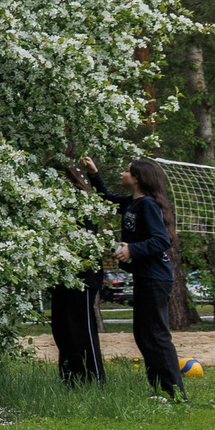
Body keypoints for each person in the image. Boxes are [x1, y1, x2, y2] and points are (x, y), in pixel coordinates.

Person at [83, 153, 183, 395]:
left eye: (127, 171)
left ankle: (175, 393)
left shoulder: (148, 205)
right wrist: (93, 173)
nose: (122, 174)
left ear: (138, 178)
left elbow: (161, 240)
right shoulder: (132, 203)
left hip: (156, 278)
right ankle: (160, 390)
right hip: (145, 276)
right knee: (143, 335)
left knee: (156, 336)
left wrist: (132, 249)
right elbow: (106, 197)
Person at [50, 160, 108, 383]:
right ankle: (70, 377)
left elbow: (85, 238)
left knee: (81, 327)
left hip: (83, 275)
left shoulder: (83, 201)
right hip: (60, 274)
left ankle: (94, 379)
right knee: (62, 327)